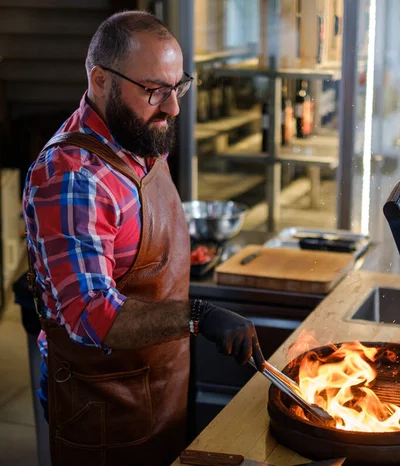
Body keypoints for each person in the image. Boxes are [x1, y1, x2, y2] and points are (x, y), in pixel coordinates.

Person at [22, 11, 265, 466]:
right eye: (154, 90)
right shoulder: (73, 177)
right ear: (99, 80)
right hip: (104, 405)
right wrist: (199, 316)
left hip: (159, 384)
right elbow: (93, 317)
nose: (172, 108)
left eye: (178, 87)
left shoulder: (136, 136)